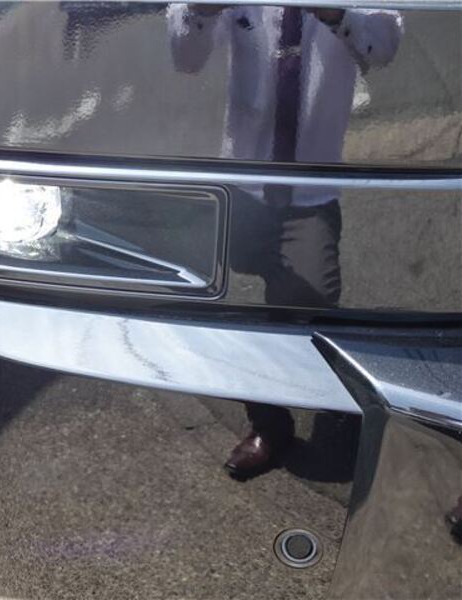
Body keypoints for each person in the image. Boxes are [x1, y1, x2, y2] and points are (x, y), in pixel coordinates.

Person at [167, 3, 403, 477]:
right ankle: (269, 422)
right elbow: (186, 58)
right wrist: (201, 10)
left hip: (311, 188)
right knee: (231, 310)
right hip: (241, 183)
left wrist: (338, 15)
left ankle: (325, 403)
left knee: (310, 299)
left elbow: (385, 45)